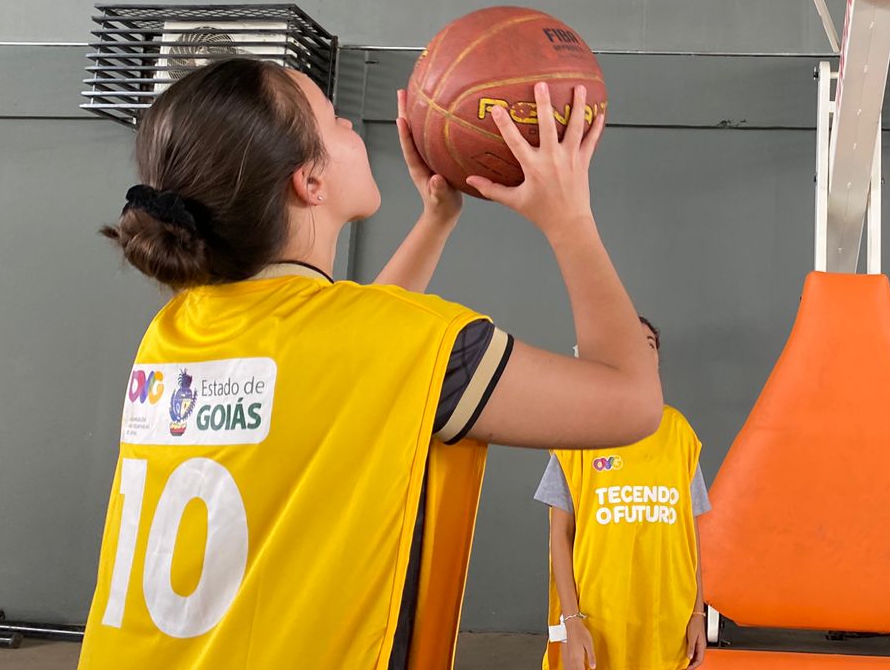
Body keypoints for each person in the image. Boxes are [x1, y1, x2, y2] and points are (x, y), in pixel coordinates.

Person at [77, 58, 660, 669]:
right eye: (333, 119)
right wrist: (570, 216)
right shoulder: (401, 341)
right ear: (310, 182)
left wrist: (436, 222)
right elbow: (633, 400)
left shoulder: (174, 334)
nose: (352, 121)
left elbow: (355, 363)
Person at [538, 317, 710, 670]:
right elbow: (559, 536)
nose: (643, 350)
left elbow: (691, 535)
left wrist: (697, 612)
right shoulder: (577, 434)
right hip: (597, 620)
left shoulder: (678, 433)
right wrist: (571, 621)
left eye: (650, 344)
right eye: (633, 342)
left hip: (666, 620)